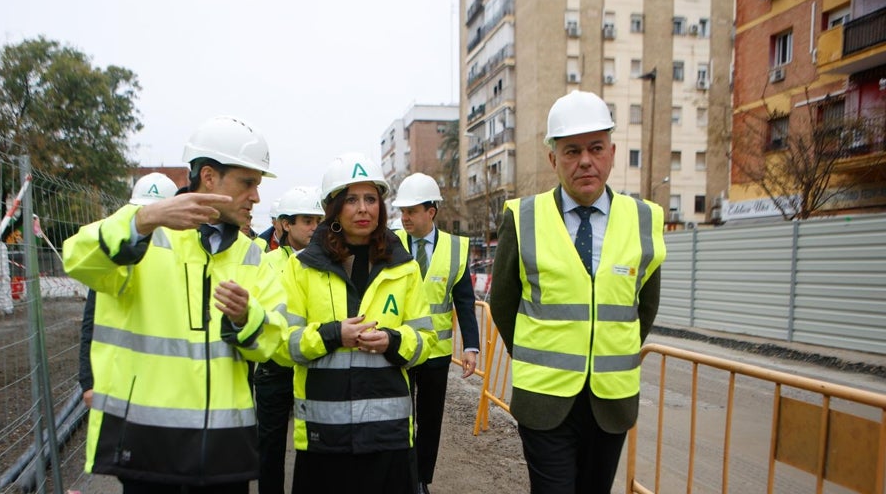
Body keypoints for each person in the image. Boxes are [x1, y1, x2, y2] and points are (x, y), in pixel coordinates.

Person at [63, 116, 288, 494]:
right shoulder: (145, 232)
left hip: (224, 452)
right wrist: (144, 219)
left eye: (258, 185)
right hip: (147, 448)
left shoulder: (253, 255)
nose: (256, 198)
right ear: (209, 178)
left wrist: (245, 317)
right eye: (247, 183)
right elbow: (79, 259)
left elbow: (274, 342)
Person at [490, 90, 666, 494]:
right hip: (544, 400)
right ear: (553, 159)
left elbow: (646, 305)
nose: (585, 160)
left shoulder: (645, 219)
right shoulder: (523, 218)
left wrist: (608, 351)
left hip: (611, 399)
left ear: (612, 152)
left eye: (596, 148)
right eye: (571, 151)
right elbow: (503, 303)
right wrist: (539, 354)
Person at [278, 153, 436, 494]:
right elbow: (285, 343)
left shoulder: (404, 268)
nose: (363, 208)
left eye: (370, 199)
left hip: (388, 437)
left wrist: (393, 342)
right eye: (351, 199)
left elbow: (425, 342)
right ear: (333, 208)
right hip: (324, 436)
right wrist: (334, 335)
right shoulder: (301, 268)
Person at [391, 172, 479, 494]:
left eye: (411, 211)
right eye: (402, 211)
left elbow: (465, 301)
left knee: (429, 422)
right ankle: (401, 476)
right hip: (398, 348)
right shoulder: (390, 243)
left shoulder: (456, 249)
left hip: (437, 355)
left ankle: (421, 480)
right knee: (399, 418)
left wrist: (471, 346)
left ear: (431, 211)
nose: (404, 218)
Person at [78, 172, 178, 409]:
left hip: (168, 385)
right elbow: (91, 321)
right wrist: (88, 381)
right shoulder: (116, 255)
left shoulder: (183, 259)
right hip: (121, 382)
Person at [254, 185, 323, 494]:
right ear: (284, 224)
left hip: (313, 366)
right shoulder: (266, 263)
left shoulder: (326, 263)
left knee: (316, 447)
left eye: (318, 220)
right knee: (270, 448)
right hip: (274, 369)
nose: (314, 228)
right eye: (307, 220)